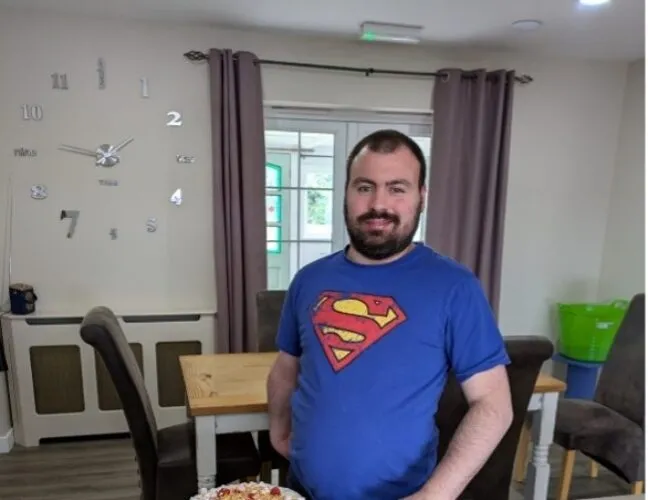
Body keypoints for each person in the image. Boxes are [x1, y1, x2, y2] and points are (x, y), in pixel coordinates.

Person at [266, 129, 513, 500]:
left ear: (421, 197)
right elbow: (287, 367)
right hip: (304, 488)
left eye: (397, 188)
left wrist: (434, 497)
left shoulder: (455, 287)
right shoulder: (309, 280)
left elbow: (493, 405)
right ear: (346, 193)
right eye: (364, 187)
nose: (378, 204)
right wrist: (277, 429)